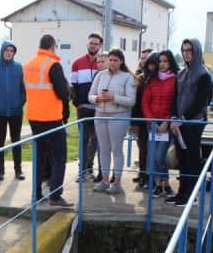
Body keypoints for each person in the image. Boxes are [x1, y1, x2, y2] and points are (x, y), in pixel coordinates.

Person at [24, 34, 72, 207]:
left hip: (34, 118)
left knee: (40, 156)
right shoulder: (53, 65)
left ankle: (36, 194)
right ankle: (55, 196)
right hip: (51, 118)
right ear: (52, 46)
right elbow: (63, 93)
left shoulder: (28, 65)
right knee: (59, 157)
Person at [167, 38, 213, 207]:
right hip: (179, 123)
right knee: (181, 158)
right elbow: (175, 97)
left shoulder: (203, 74)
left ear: (197, 52)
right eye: (184, 50)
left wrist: (183, 118)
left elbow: (202, 101)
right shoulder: (182, 73)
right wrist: (173, 117)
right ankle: (181, 192)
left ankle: (191, 195)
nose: (186, 53)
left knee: (191, 159)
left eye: (189, 50)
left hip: (193, 123)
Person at [89, 48, 136, 194]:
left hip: (118, 116)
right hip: (100, 115)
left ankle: (116, 182)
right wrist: (97, 99)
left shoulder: (127, 77)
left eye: (116, 60)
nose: (112, 62)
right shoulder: (100, 75)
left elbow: (131, 101)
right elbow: (90, 95)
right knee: (103, 149)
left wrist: (113, 97)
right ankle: (104, 180)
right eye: (111, 59)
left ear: (121, 61)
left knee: (116, 149)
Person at [0, 41, 26, 181]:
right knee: (0, 141)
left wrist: (21, 103)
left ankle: (18, 170)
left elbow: (24, 89)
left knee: (16, 141)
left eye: (11, 50)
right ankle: (0, 170)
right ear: (2, 51)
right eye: (6, 50)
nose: (8, 52)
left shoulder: (19, 68)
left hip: (16, 112)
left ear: (14, 53)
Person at [142, 49, 179, 198]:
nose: (162, 64)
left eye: (165, 61)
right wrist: (152, 121)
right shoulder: (152, 80)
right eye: (160, 61)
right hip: (152, 124)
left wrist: (167, 121)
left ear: (170, 62)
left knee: (160, 156)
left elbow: (176, 103)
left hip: (166, 124)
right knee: (153, 156)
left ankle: (166, 182)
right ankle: (159, 184)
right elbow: (145, 103)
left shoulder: (176, 79)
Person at [71, 33, 103, 180]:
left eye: (96, 44)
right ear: (87, 43)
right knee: (83, 140)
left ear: (100, 46)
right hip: (83, 109)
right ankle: (82, 170)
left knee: (96, 140)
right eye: (91, 43)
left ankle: (89, 168)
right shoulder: (77, 63)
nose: (93, 46)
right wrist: (77, 103)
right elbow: (73, 85)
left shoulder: (103, 62)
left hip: (98, 109)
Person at [131, 51, 160, 190]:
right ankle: (143, 176)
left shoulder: (162, 79)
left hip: (158, 120)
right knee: (143, 150)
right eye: (150, 63)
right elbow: (136, 103)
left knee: (155, 152)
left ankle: (154, 178)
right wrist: (134, 122)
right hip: (142, 120)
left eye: (155, 64)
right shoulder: (141, 79)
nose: (152, 66)